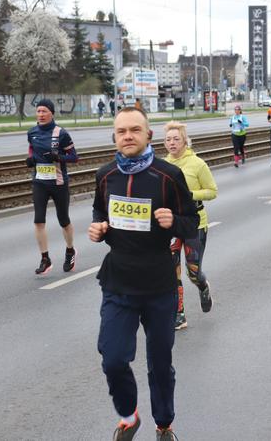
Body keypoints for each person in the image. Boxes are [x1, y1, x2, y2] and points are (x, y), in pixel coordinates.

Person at [89, 107, 199, 441]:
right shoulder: (105, 175)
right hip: (118, 281)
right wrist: (100, 228)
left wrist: (174, 223)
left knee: (160, 364)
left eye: (135, 130)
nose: (128, 136)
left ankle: (164, 424)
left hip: (158, 284)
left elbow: (191, 221)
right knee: (112, 358)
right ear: (114, 137)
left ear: (148, 135)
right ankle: (128, 416)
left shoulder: (167, 175)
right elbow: (99, 209)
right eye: (121, 131)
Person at [164, 121, 217, 330]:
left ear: (185, 140)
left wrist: (189, 195)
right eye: (168, 139)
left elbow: (212, 191)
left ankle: (203, 286)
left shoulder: (197, 164)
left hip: (195, 223)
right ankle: (179, 314)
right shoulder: (162, 166)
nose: (172, 143)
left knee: (193, 272)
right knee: (171, 271)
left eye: (176, 139)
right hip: (172, 225)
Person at [25, 99, 78, 275]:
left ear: (52, 113)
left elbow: (74, 156)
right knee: (38, 220)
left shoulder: (61, 133)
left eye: (44, 111)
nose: (40, 114)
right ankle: (45, 258)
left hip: (58, 183)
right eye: (38, 111)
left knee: (64, 220)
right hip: (39, 182)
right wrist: (30, 160)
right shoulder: (32, 132)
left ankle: (70, 250)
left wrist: (59, 157)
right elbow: (32, 150)